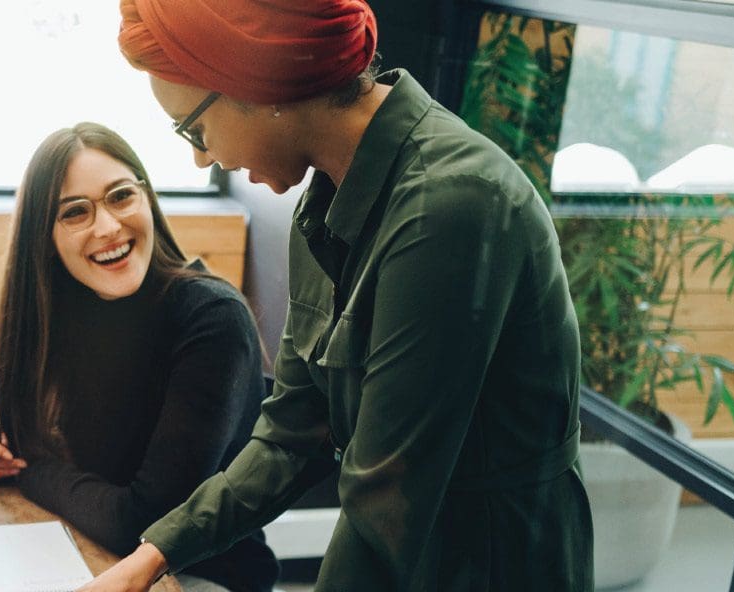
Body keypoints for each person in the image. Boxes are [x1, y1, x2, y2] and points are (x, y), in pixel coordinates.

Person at [83, 1, 592, 590]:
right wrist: (150, 559)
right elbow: (293, 430)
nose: (201, 156)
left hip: (490, 564)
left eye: (192, 128)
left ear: (259, 84)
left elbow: (386, 503)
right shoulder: (325, 199)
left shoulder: (450, 205)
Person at [0, 122, 276, 592]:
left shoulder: (212, 320)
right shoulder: (66, 307)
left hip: (202, 576)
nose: (108, 227)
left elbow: (145, 522)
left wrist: (31, 469)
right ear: (45, 237)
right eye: (74, 212)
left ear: (147, 198)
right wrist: (10, 445)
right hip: (89, 551)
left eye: (120, 196)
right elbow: (54, 441)